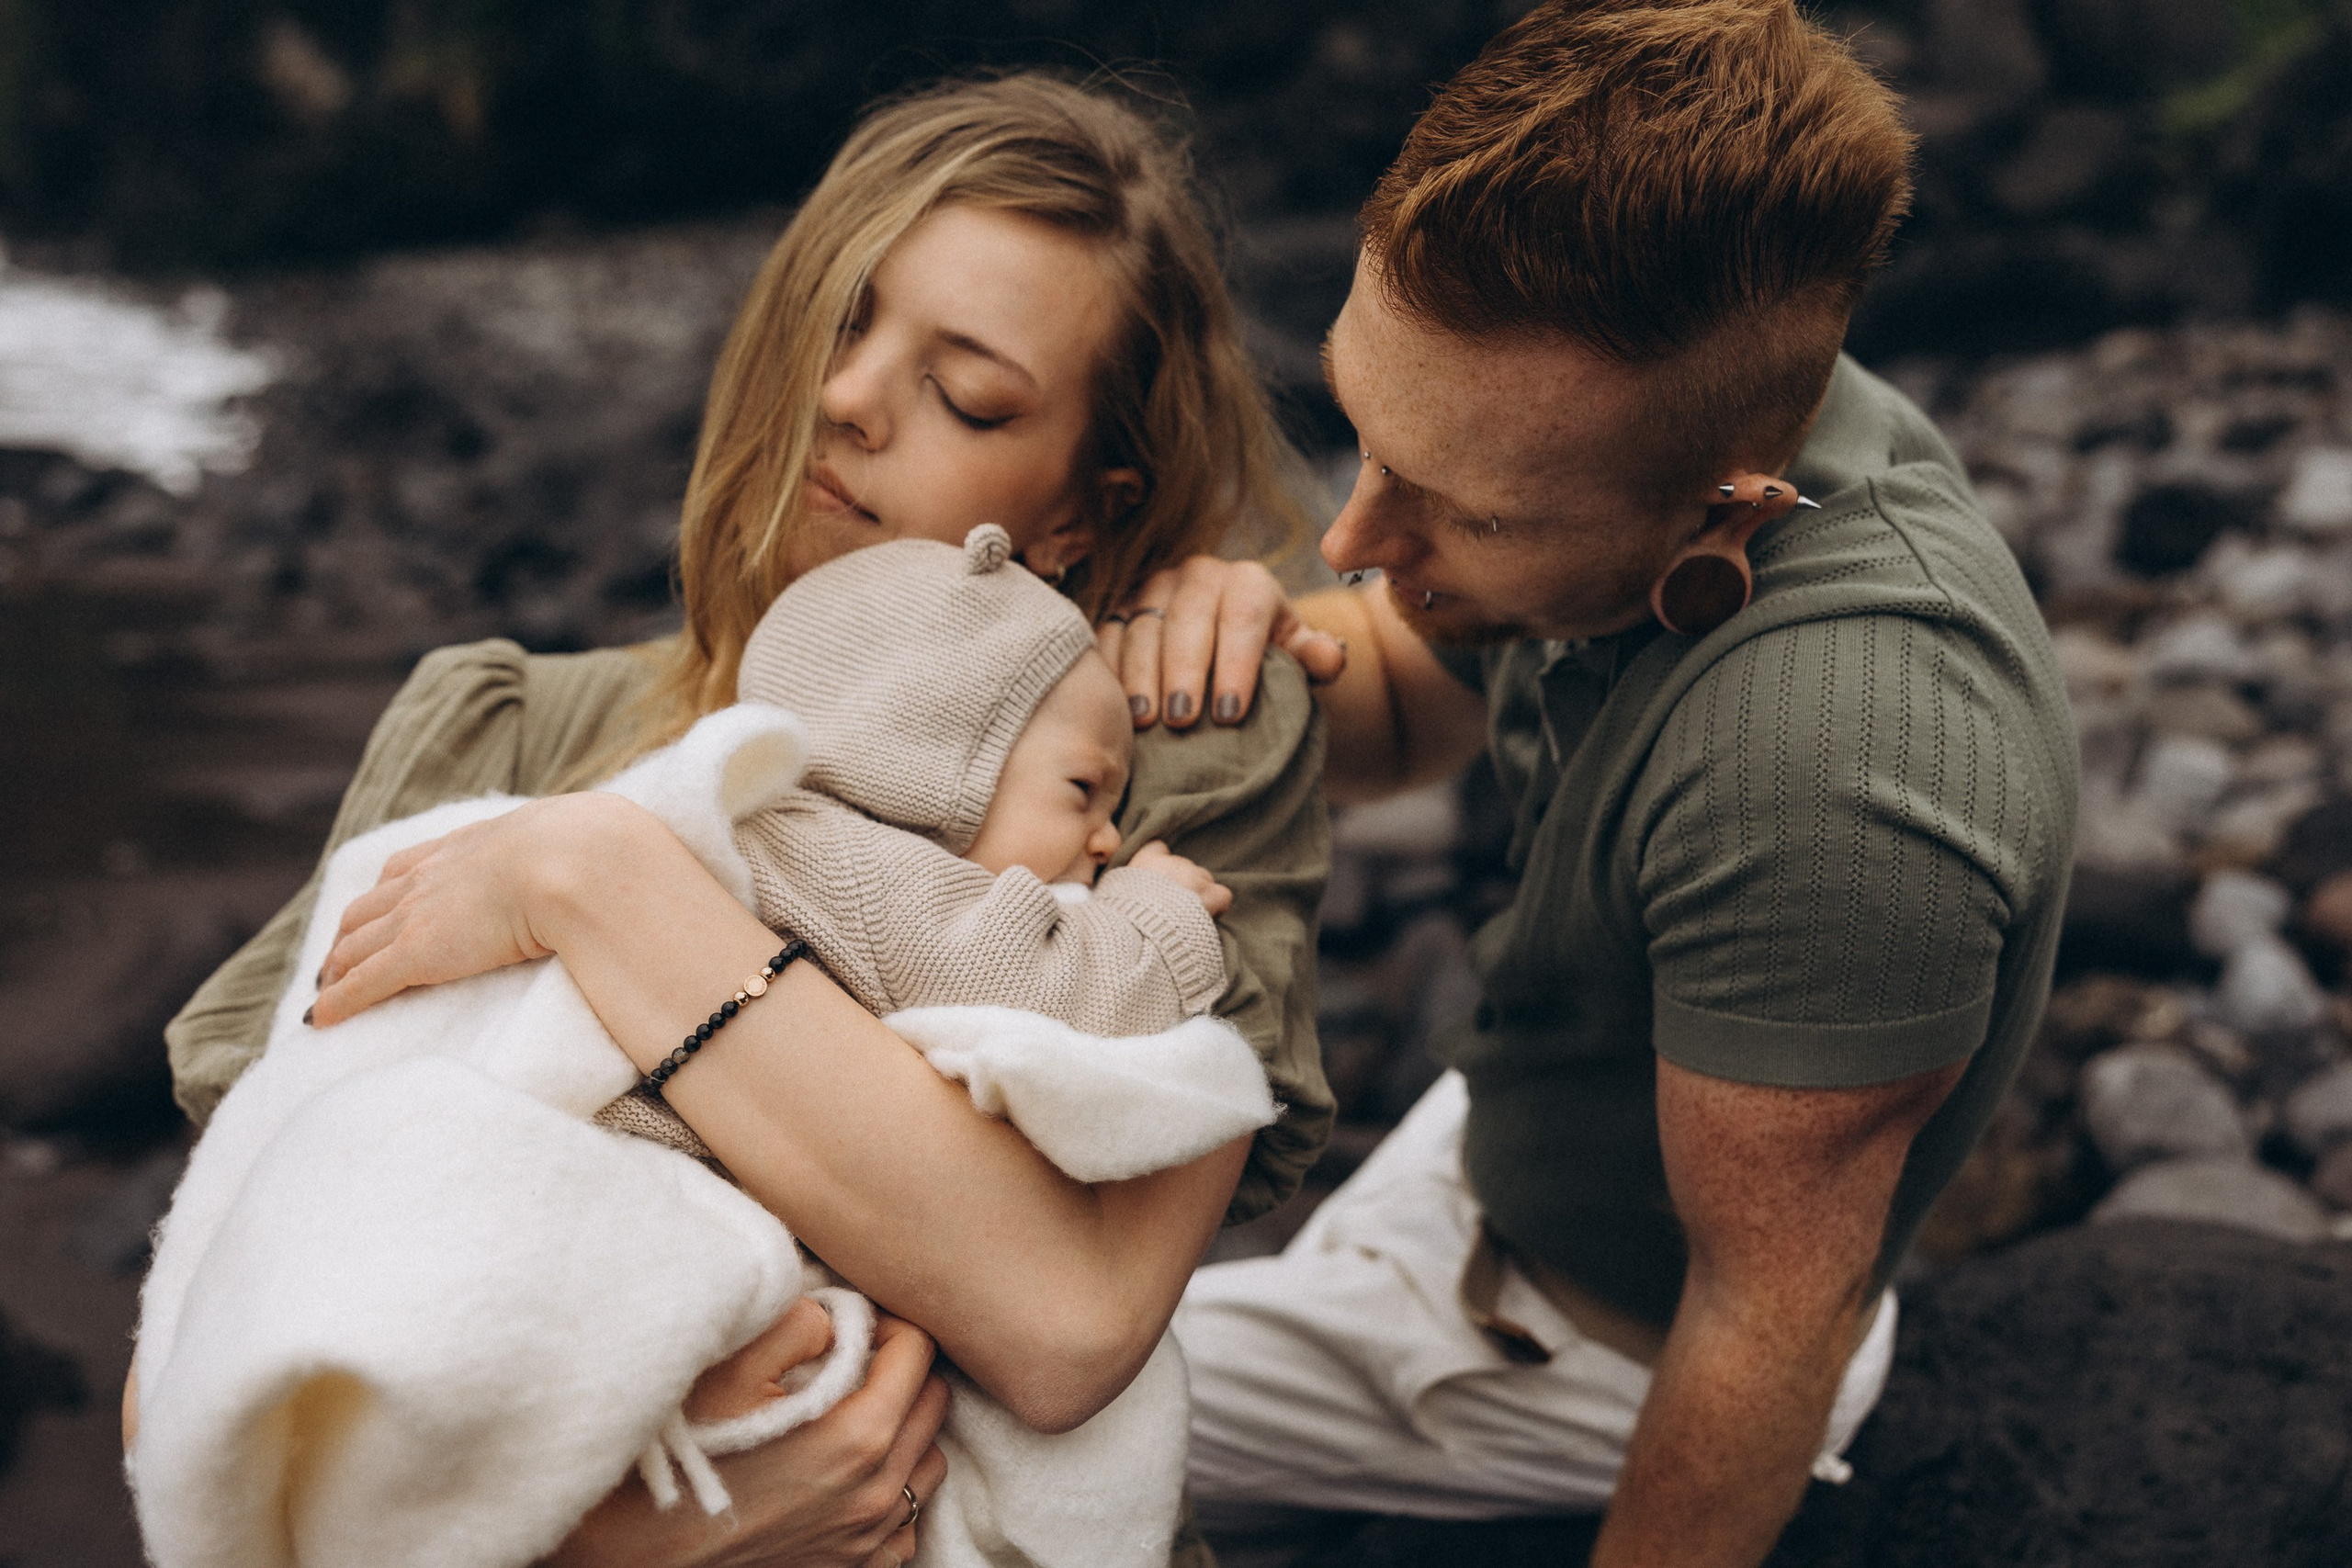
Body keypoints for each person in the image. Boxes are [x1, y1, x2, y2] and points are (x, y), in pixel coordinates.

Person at [159, 72, 1334, 1568]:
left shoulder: (1163, 757)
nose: (849, 400)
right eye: (841, 320)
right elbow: (206, 1372)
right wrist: (630, 1546)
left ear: (1077, 518)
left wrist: (594, 877)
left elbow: (1064, 1319)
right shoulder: (505, 728)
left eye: (967, 395)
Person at [1102, 4, 2079, 1565]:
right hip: (1505, 1132)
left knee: (953, 1427)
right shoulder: (1682, 434)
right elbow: (1418, 706)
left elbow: (1771, 1314)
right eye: (1363, 437)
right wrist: (1240, 661)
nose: (1351, 543)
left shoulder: (1839, 772)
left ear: (1725, 508)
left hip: (1592, 1350)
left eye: (1455, 513)